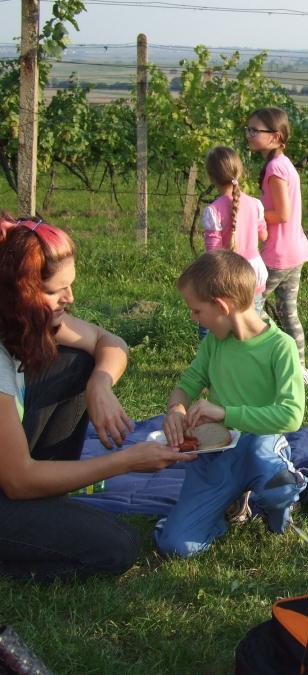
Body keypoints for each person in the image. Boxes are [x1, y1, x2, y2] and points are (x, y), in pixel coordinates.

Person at [0, 215, 191, 581]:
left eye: (70, 285)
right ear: (20, 292)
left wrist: (99, 385)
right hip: (14, 483)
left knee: (80, 362)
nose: (70, 298)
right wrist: (124, 461)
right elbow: (18, 480)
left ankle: (49, 500)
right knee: (117, 547)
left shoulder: (21, 318)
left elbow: (109, 342)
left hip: (12, 477)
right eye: (56, 291)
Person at [156, 250, 307, 557]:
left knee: (279, 486)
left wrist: (224, 412)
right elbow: (186, 386)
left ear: (222, 306)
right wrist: (175, 410)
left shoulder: (280, 347)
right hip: (217, 452)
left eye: (197, 311)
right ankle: (230, 503)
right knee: (177, 546)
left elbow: (291, 416)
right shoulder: (214, 343)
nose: (194, 318)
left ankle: (277, 504)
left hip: (260, 445)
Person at [245, 107, 308, 386]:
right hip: (296, 250)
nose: (249, 134)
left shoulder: (275, 169)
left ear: (275, 136)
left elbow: (281, 213)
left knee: (250, 308)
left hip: (278, 255)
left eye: (255, 130)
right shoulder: (284, 164)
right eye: (248, 129)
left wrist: (253, 214)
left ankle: (269, 358)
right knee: (288, 312)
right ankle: (299, 370)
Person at [201, 145, 268, 321]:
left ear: (210, 176)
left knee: (230, 324)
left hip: (230, 274)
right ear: (239, 171)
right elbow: (263, 236)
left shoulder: (213, 210)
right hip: (254, 272)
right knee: (253, 322)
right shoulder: (255, 204)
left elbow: (213, 253)